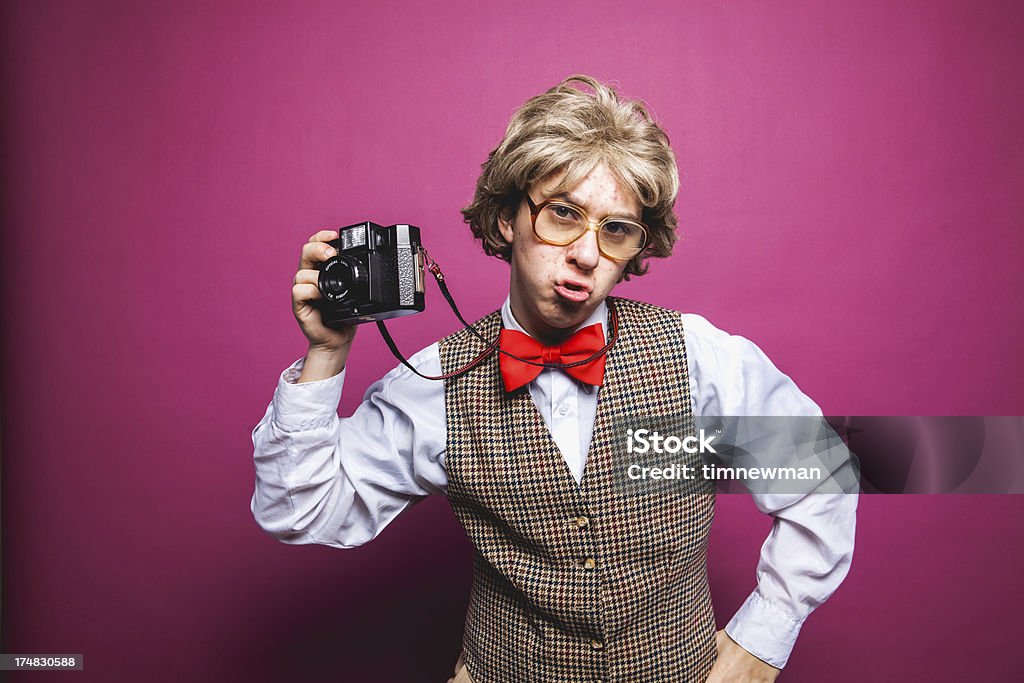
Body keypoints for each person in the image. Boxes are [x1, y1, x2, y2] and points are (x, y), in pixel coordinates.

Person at [251, 75, 857, 682]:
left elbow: (821, 468)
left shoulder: (698, 359)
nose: (588, 255)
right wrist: (326, 355)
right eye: (563, 215)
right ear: (508, 217)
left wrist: (762, 639)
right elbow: (301, 511)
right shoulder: (435, 383)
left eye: (615, 229)